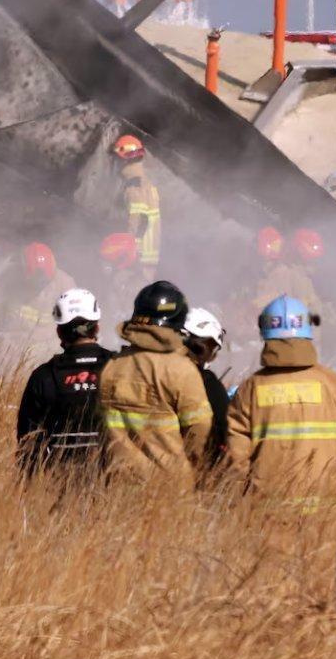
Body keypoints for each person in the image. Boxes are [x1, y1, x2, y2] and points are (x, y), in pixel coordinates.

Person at [224, 296, 336, 508]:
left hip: (268, 512)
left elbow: (236, 458)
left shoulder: (250, 390)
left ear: (264, 330)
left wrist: (236, 504)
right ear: (308, 329)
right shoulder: (335, 385)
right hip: (326, 511)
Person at [98, 280, 213, 489]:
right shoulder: (182, 370)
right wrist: (193, 467)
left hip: (118, 488)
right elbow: (200, 429)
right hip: (168, 489)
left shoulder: (112, 367)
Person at [15, 288, 111, 478]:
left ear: (59, 331)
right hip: (115, 484)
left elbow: (28, 442)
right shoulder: (121, 367)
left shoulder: (43, 377)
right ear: (97, 327)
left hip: (58, 487)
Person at [181, 307, 232, 470]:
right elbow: (226, 431)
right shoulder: (209, 384)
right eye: (208, 347)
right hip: (195, 474)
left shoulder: (149, 371)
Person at [4, 243, 75, 342]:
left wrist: (35, 337)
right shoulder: (10, 280)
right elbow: (5, 315)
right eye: (36, 280)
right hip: (16, 340)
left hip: (49, 342)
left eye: (44, 281)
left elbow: (71, 325)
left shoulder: (65, 285)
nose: (40, 285)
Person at [112, 132, 161, 270]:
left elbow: (138, 222)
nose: (116, 163)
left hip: (135, 263)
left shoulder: (135, 189)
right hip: (145, 262)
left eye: (117, 159)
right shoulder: (146, 185)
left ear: (125, 160)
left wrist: (124, 253)